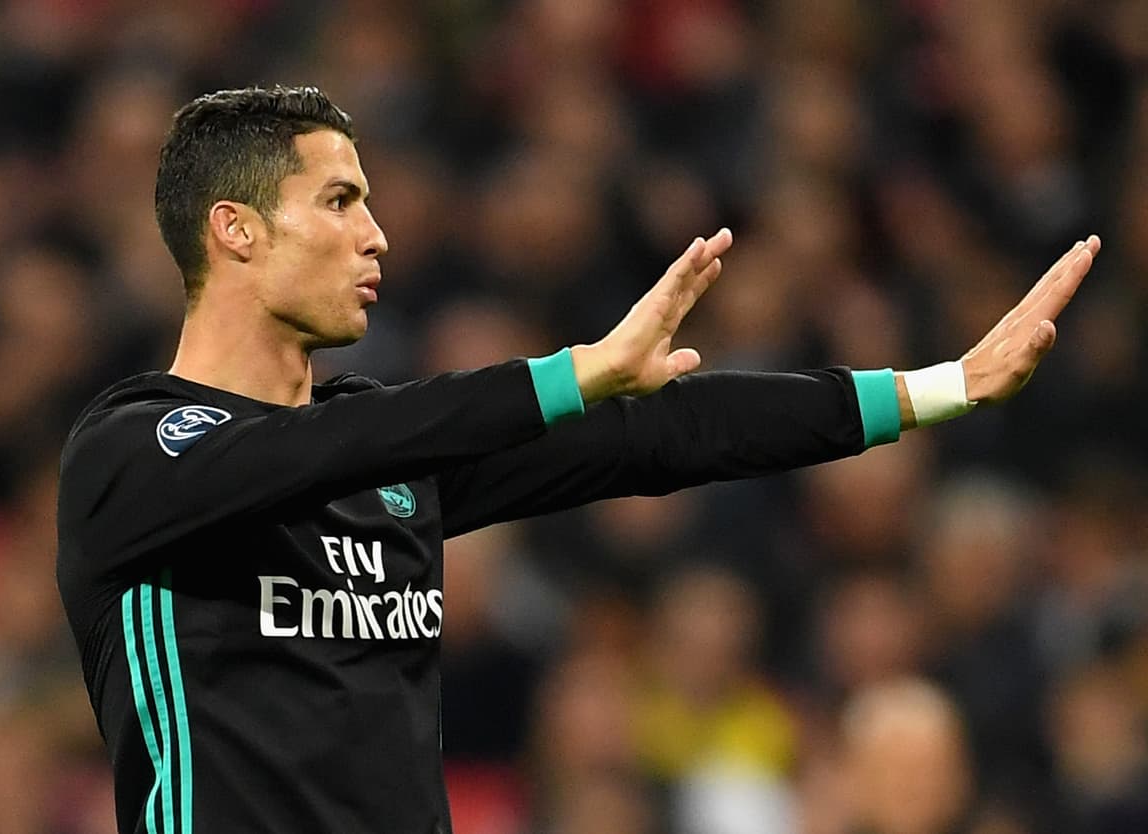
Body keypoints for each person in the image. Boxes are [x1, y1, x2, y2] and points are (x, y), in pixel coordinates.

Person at [55, 85, 1099, 834]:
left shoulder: (387, 462)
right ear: (232, 230)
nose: (376, 235)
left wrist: (935, 387)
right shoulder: (133, 456)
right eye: (338, 201)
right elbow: (329, 445)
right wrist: (567, 372)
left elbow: (660, 435)